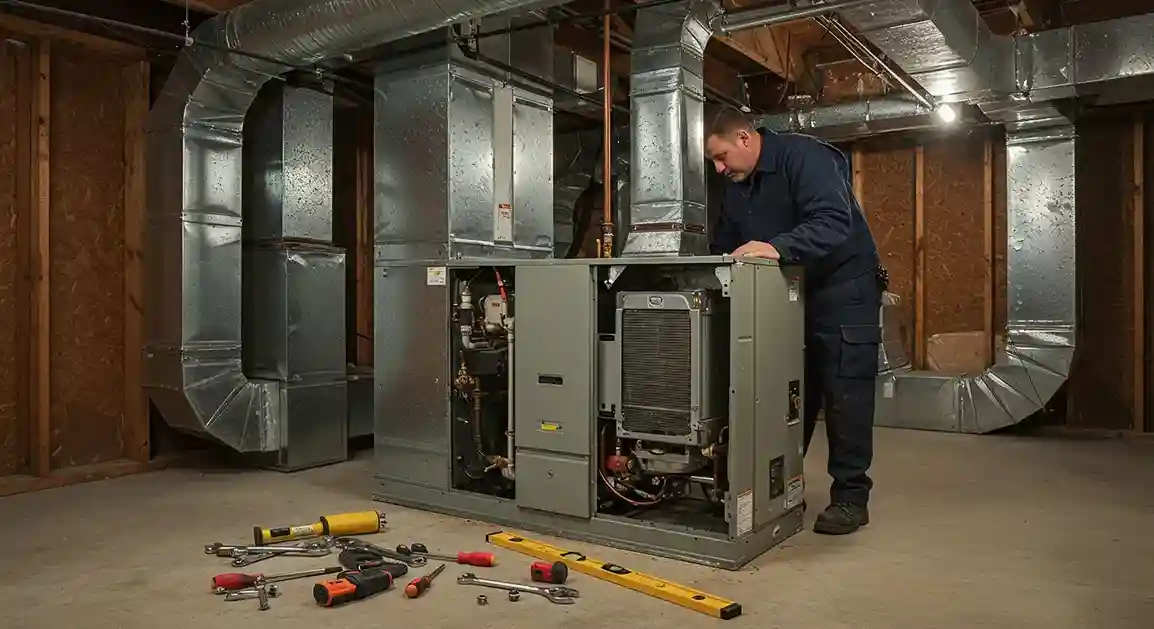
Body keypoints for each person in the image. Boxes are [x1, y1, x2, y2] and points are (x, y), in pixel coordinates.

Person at [705, 107, 883, 535]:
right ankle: (780, 488)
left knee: (845, 393)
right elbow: (729, 243)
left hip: (844, 291)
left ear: (745, 138)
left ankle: (850, 498)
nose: (719, 167)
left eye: (722, 156)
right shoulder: (737, 186)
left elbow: (832, 222)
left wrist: (777, 247)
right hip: (789, 293)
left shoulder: (805, 159)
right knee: (786, 393)